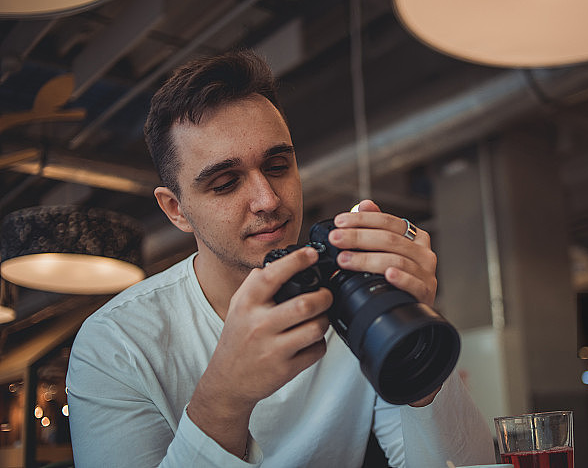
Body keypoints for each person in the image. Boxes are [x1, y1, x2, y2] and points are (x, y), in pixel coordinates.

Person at [66, 50, 495, 467]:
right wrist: (224, 397)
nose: (268, 200)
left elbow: (459, 464)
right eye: (225, 182)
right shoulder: (115, 343)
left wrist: (415, 338)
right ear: (176, 209)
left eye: (276, 166)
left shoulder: (349, 294)